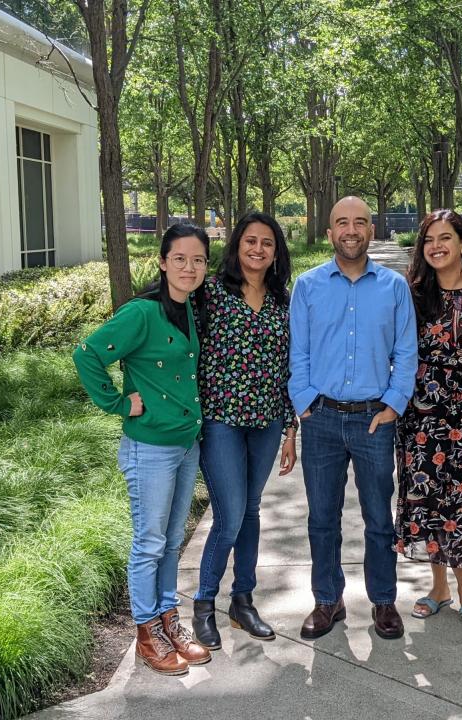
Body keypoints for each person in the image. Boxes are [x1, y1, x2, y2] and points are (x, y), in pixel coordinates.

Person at [72, 224, 213, 675]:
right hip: (149, 447)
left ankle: (170, 618)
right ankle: (146, 629)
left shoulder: (187, 309)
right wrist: (117, 402)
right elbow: (87, 354)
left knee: (172, 541)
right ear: (162, 261)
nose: (189, 268)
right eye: (180, 259)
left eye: (198, 260)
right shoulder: (142, 312)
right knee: (149, 543)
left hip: (185, 444)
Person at [289, 196, 417, 640]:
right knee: (322, 518)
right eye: (341, 222)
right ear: (329, 233)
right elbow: (298, 351)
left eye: (359, 222)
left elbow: (405, 351)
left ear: (371, 229)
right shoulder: (307, 286)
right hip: (321, 418)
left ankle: (384, 601)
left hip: (374, 421)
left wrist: (393, 405)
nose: (350, 229)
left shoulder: (394, 286)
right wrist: (303, 401)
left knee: (379, 517)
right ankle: (328, 600)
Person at [191, 212, 298, 649]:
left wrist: (291, 429)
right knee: (230, 513)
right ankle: (202, 604)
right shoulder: (211, 294)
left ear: (277, 252)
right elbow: (186, 352)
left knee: (251, 509)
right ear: (236, 246)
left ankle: (243, 599)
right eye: (250, 241)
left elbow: (292, 366)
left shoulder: (283, 301)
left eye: (267, 243)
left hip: (267, 420)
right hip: (221, 421)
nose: (258, 249)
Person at [395, 210, 462, 628]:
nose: (436, 246)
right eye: (428, 240)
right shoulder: (415, 291)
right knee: (429, 498)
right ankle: (438, 586)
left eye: (445, 237)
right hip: (422, 411)